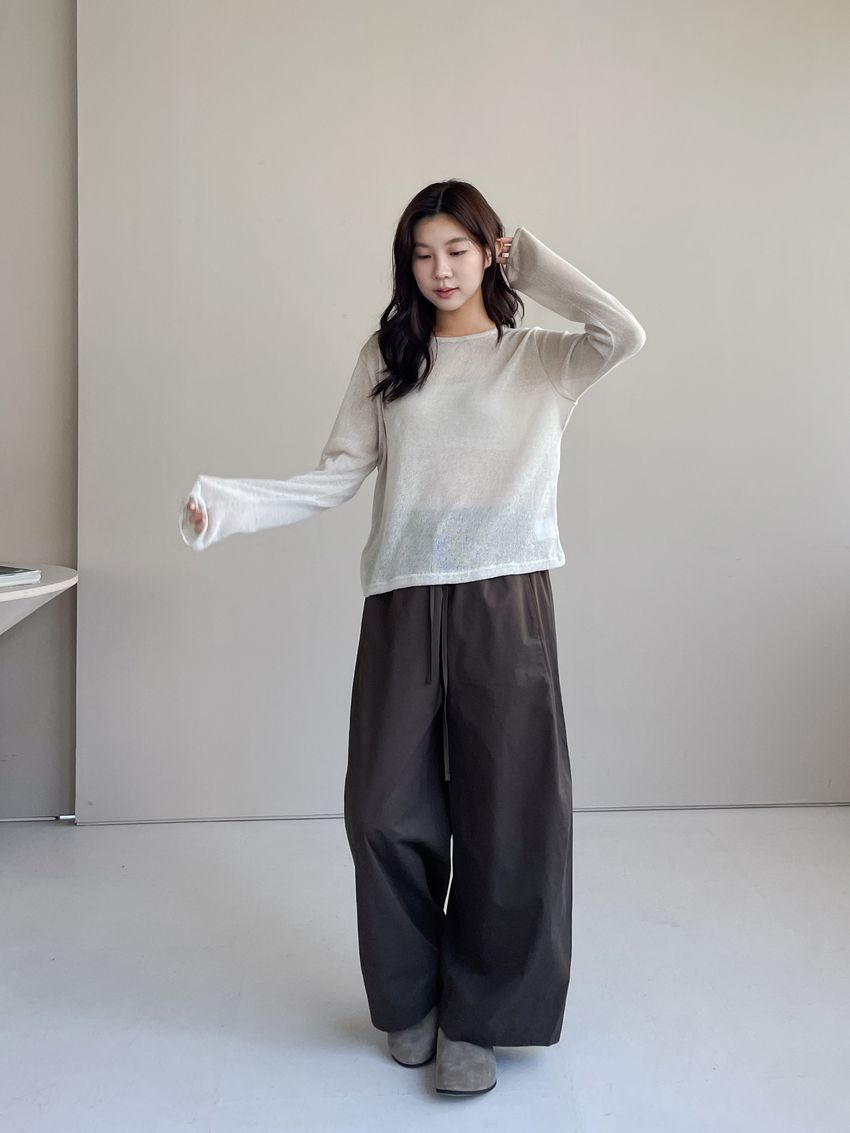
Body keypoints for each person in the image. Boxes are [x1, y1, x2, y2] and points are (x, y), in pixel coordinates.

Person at [179, 178, 646, 1097]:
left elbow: (622, 332)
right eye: (423, 253)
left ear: (489, 252)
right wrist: (228, 506)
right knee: (383, 811)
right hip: (401, 601)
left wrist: (533, 263)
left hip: (506, 603)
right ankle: (411, 997)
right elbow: (337, 473)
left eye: (458, 250)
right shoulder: (389, 358)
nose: (440, 270)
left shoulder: (540, 360)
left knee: (511, 816)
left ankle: (481, 1017)